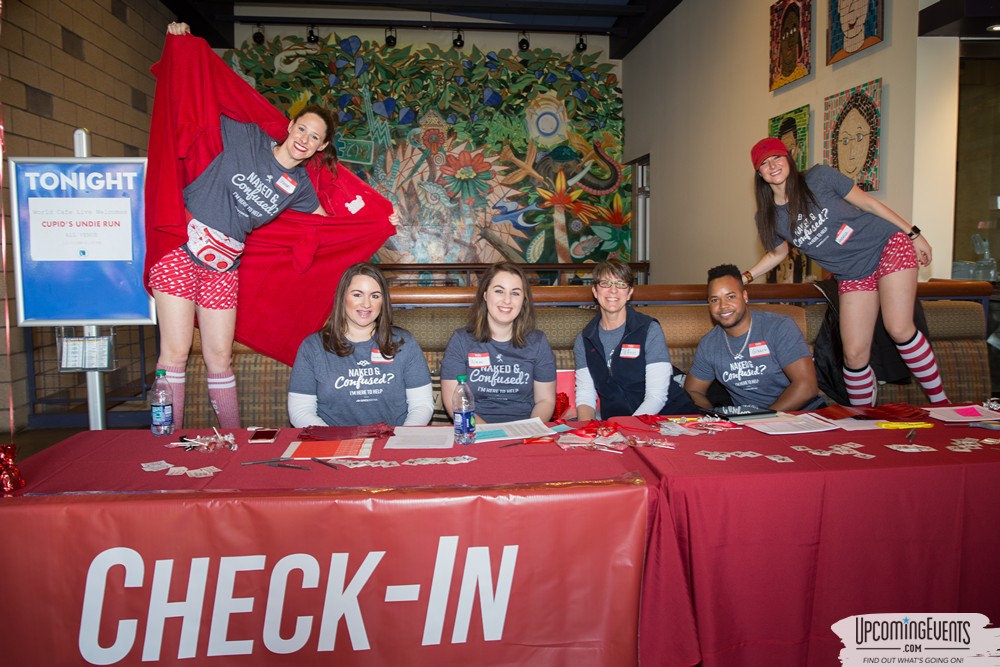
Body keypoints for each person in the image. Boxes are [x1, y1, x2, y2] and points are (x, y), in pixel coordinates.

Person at [147, 22, 397, 429]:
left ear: (320, 147)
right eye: (302, 129)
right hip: (182, 251)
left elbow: (333, 227)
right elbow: (202, 100)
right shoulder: (244, 137)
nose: (304, 139)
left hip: (224, 267)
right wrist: (183, 46)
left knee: (219, 358)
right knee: (174, 354)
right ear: (290, 126)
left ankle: (231, 440)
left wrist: (381, 219)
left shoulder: (300, 189)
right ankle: (165, 437)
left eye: (315, 138)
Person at [741, 137, 947, 406]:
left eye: (777, 157)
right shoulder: (767, 216)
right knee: (853, 356)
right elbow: (777, 254)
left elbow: (870, 204)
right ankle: (862, 418)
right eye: (764, 163)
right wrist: (744, 277)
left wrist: (913, 234)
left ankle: (941, 404)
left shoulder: (819, 177)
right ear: (759, 173)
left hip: (886, 246)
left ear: (788, 158)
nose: (773, 166)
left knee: (898, 328)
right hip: (852, 274)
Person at [288, 263, 433, 427]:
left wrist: (402, 437)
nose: (366, 304)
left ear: (383, 301)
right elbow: (300, 411)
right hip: (331, 440)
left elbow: (422, 405)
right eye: (357, 295)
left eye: (375, 296)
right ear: (343, 297)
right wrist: (333, 439)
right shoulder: (312, 347)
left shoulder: (404, 343)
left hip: (395, 438)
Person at [684, 264, 823, 412]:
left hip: (802, 414)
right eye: (714, 300)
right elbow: (693, 390)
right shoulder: (709, 344)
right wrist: (715, 418)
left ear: (745, 296)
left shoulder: (779, 327)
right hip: (748, 421)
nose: (723, 306)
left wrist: (763, 419)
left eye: (730, 297)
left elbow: (807, 386)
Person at [574, 258, 695, 420]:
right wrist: (587, 429)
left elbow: (656, 397)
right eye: (605, 283)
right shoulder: (584, 339)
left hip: (668, 418)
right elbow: (585, 394)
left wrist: (628, 428)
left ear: (630, 292)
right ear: (595, 291)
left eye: (621, 284)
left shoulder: (648, 329)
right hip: (618, 422)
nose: (613, 290)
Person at [440, 262, 556, 423]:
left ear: (523, 300)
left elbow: (545, 400)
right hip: (476, 430)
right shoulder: (461, 341)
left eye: (515, 293)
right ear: (485, 295)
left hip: (525, 430)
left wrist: (529, 430)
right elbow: (455, 403)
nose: (507, 300)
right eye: (499, 291)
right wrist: (489, 432)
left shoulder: (538, 342)